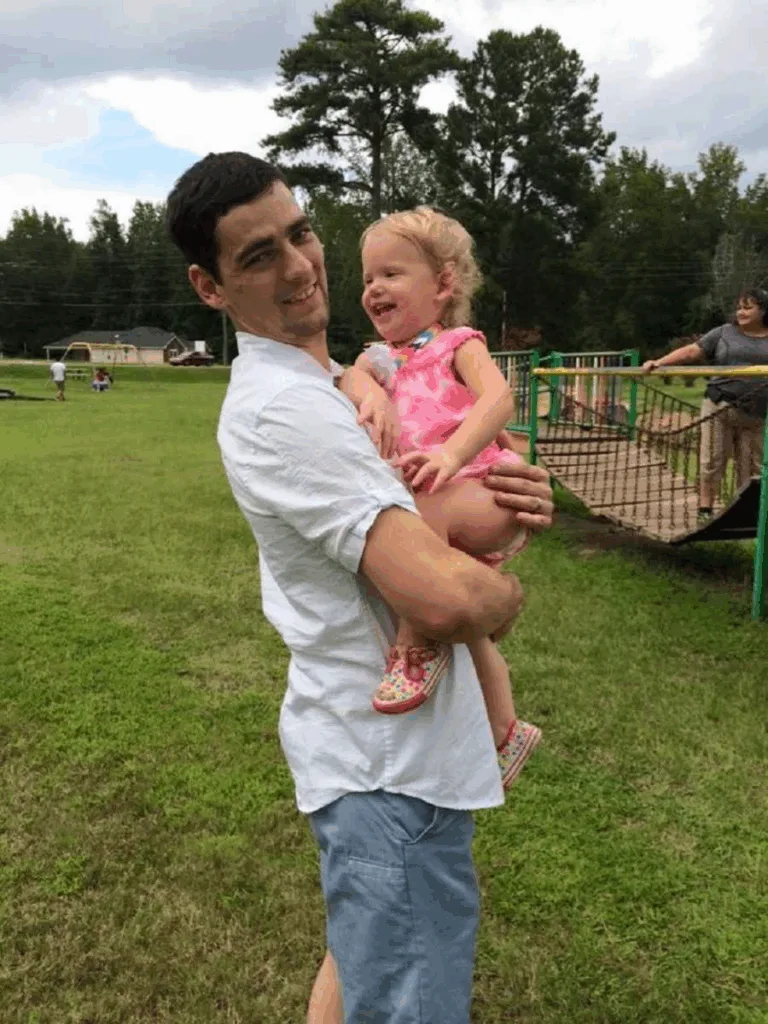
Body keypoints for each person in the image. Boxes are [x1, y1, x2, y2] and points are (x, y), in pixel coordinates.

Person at [166, 152, 554, 1024]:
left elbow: (455, 451)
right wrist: (501, 586)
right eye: (259, 255)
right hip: (387, 769)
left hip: (384, 762)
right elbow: (448, 601)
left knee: (361, 969)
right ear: (209, 287)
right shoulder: (287, 409)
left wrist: (505, 497)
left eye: (300, 233)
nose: (299, 265)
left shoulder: (336, 382)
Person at [336, 206, 540, 789]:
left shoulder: (457, 343)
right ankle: (506, 731)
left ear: (443, 284)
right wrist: (366, 387)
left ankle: (415, 645)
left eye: (391, 274)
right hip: (440, 503)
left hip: (483, 487)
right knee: (468, 627)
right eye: (368, 278)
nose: (374, 289)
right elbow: (349, 375)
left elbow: (499, 398)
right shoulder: (380, 359)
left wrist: (451, 456)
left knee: (421, 504)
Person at [643, 288, 768, 519]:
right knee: (713, 460)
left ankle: (747, 515)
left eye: (747, 308)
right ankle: (705, 509)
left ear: (763, 311)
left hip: (756, 413)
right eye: (739, 308)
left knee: (752, 468)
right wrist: (659, 362)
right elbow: (693, 351)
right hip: (719, 406)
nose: (740, 312)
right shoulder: (724, 333)